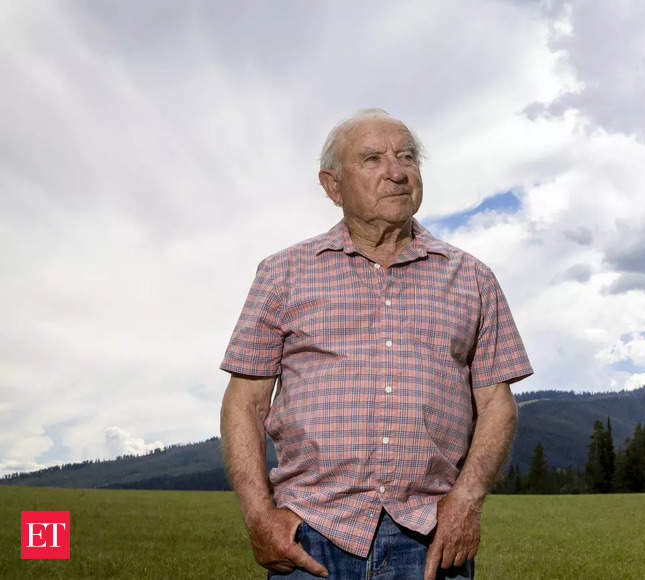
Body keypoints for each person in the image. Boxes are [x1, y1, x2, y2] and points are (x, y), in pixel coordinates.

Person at [219, 109, 532, 579]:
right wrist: (258, 515)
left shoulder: (473, 278)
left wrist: (466, 502)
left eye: (407, 156)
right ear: (333, 186)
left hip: (431, 538)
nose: (397, 172)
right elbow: (245, 403)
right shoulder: (282, 274)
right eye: (372, 159)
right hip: (311, 535)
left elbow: (496, 405)